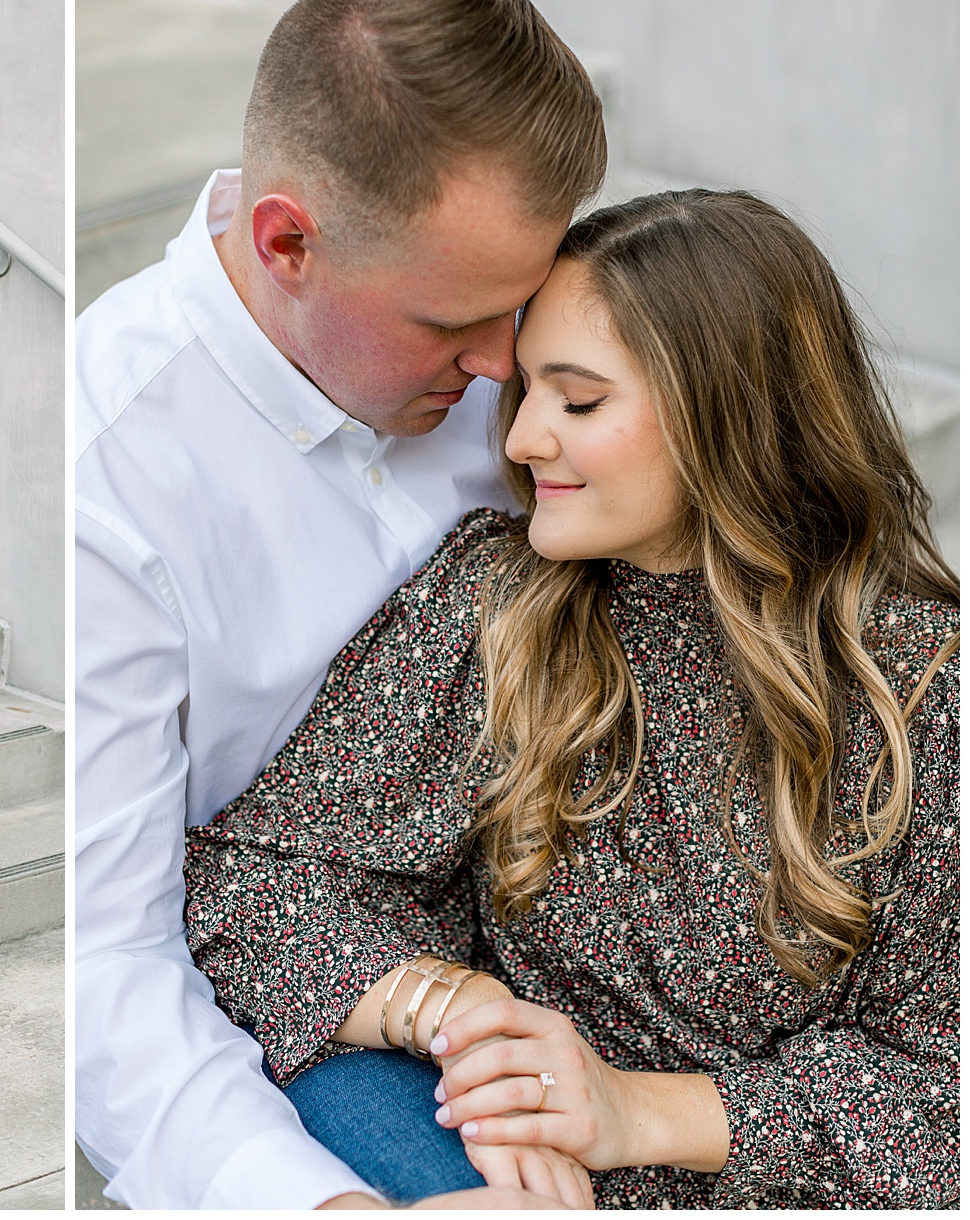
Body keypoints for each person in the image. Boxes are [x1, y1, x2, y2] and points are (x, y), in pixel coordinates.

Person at [183, 189, 959, 1208]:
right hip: (485, 1150)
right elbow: (256, 877)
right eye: (530, 391)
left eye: (578, 401)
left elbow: (944, 1106)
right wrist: (464, 1023)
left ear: (726, 417)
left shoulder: (923, 690)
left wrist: (634, 1109)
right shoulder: (499, 599)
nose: (520, 440)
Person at [75, 0, 605, 1207]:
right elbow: (111, 953)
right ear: (288, 243)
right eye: (451, 323)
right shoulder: (108, 483)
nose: (503, 370)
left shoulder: (513, 344)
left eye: (520, 308)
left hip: (581, 933)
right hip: (308, 977)